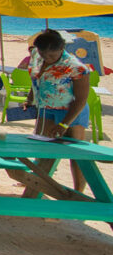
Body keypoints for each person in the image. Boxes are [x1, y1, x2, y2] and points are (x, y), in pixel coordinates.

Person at [25, 29, 91, 192]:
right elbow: (37, 78)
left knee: (76, 155)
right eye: (44, 54)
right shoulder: (36, 55)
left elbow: (81, 99)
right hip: (46, 108)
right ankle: (39, 183)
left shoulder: (76, 67)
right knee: (43, 148)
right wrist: (30, 97)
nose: (48, 59)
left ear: (62, 49)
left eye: (52, 56)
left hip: (71, 112)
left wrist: (64, 124)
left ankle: (78, 191)